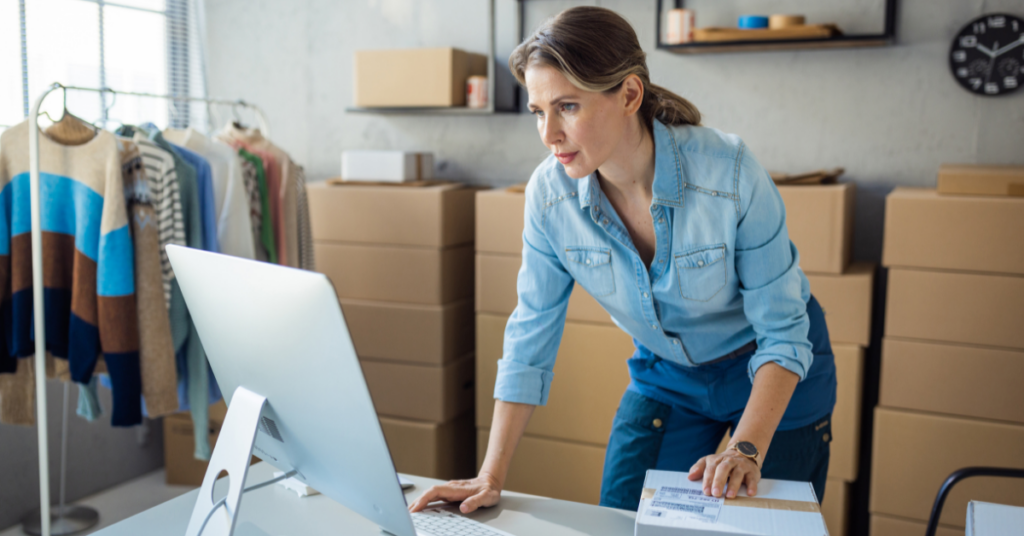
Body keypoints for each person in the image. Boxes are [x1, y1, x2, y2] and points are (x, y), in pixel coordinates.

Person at [409, 6, 836, 514]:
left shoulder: (730, 173)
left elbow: (784, 333)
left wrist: (745, 449)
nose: (548, 135)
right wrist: (490, 474)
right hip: (668, 374)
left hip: (775, 371)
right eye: (538, 111)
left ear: (630, 94)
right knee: (618, 519)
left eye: (567, 107)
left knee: (754, 523)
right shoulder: (550, 196)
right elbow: (530, 333)